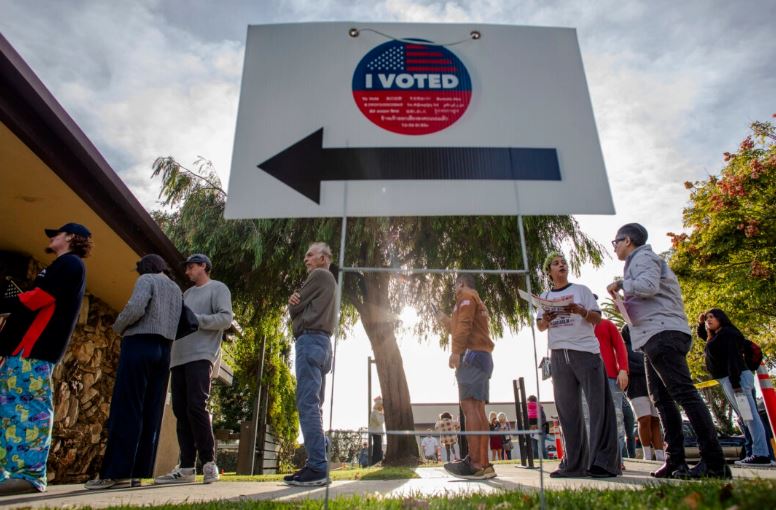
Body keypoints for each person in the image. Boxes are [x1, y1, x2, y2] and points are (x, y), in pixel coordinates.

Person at [607, 223, 728, 479]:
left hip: (663, 334)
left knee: (684, 394)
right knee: (661, 399)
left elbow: (648, 286)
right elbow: (647, 297)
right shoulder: (636, 264)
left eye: (615, 242)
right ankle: (676, 460)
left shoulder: (644, 258)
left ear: (627, 240)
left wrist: (621, 284)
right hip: (651, 336)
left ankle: (715, 462)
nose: (615, 247)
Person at [0, 223, 92, 495]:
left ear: (73, 238)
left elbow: (36, 300)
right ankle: (9, 473)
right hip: (21, 353)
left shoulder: (71, 265)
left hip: (35, 352)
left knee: (29, 411)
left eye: (57, 233)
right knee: (9, 413)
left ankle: (30, 475)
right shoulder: (56, 267)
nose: (52, 237)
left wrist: (5, 303)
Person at [85, 255, 182, 490]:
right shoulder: (176, 289)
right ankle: (139, 472)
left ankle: (116, 472)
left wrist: (118, 326)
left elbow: (135, 307)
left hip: (140, 343)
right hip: (165, 349)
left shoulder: (147, 279)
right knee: (151, 410)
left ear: (144, 268)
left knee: (127, 406)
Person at [538, 252, 620, 478]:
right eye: (555, 263)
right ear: (549, 271)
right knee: (567, 410)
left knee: (598, 407)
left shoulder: (581, 290)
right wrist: (547, 319)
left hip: (585, 352)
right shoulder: (545, 296)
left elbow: (597, 319)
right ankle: (574, 464)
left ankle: (603, 463)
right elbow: (540, 326)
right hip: (558, 354)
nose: (561, 265)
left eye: (563, 262)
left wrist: (581, 311)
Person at [155, 254, 233, 485]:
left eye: (191, 266)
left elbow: (225, 319)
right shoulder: (186, 294)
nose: (187, 271)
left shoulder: (218, 288)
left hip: (201, 355)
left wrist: (195, 319)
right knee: (180, 411)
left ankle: (209, 463)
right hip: (177, 357)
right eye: (186, 268)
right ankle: (187, 468)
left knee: (196, 407)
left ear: (203, 267)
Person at [282, 243, 337, 487]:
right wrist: (296, 303)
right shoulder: (331, 282)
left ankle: (317, 466)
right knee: (316, 405)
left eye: (310, 254)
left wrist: (292, 302)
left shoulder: (319, 275)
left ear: (324, 258)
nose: (306, 259)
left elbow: (294, 308)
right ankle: (317, 462)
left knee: (307, 403)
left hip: (310, 340)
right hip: (324, 345)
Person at [436, 273, 496, 480]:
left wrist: (455, 351)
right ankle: (483, 463)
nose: (454, 290)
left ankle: (476, 464)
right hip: (482, 357)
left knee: (470, 408)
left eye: (455, 285)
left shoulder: (466, 296)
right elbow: (461, 325)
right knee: (478, 408)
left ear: (461, 283)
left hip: (471, 356)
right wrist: (445, 320)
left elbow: (464, 326)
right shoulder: (475, 299)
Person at [697, 308, 771, 466]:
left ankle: (761, 454)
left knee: (750, 417)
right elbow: (704, 337)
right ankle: (759, 453)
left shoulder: (728, 333)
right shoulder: (718, 335)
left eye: (712, 317)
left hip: (735, 379)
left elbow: (733, 358)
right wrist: (701, 323)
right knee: (747, 417)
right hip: (730, 380)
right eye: (707, 317)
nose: (709, 320)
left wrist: (735, 383)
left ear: (721, 318)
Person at [621, 324, 664, 461]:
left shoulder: (645, 345)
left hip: (653, 386)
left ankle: (660, 454)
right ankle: (647, 454)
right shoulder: (624, 348)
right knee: (644, 419)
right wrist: (646, 368)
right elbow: (628, 367)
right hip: (636, 388)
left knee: (656, 420)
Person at [594, 317, 629, 464]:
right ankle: (595, 458)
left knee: (616, 418)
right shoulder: (578, 327)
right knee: (592, 420)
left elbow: (620, 346)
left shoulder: (606, 324)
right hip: (589, 379)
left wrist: (623, 369)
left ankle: (617, 459)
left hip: (611, 377)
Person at [368, 396, 385, 465]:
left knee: (378, 447)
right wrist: (383, 414)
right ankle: (376, 462)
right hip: (376, 433)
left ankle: (376, 461)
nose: (382, 407)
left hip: (378, 432)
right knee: (377, 448)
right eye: (381, 405)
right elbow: (379, 421)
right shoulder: (375, 412)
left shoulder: (377, 412)